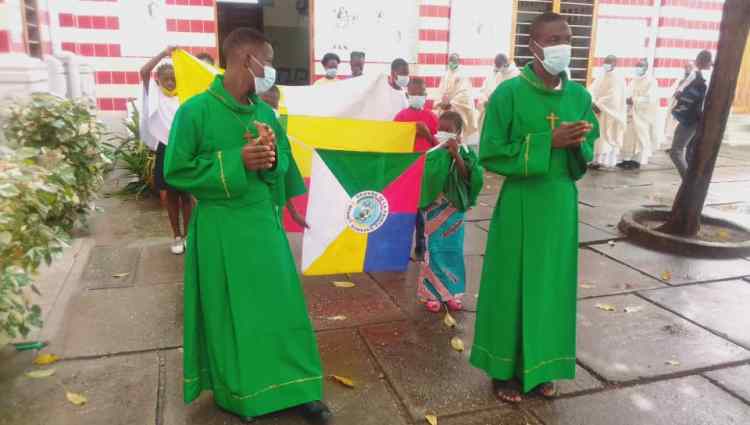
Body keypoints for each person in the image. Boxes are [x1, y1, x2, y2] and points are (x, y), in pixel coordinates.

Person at [164, 28, 330, 424]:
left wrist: (271, 160)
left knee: (282, 307)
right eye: (267, 61)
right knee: (231, 312)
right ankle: (241, 391)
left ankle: (300, 386)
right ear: (246, 60)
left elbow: (282, 163)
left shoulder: (265, 114)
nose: (271, 69)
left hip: (262, 224)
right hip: (219, 227)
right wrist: (237, 160)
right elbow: (177, 170)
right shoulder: (195, 112)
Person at [470, 12, 598, 403]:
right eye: (553, 39)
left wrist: (577, 144)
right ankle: (504, 370)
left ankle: (542, 367)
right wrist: (547, 141)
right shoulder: (508, 94)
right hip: (521, 202)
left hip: (560, 203)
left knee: (550, 287)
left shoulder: (579, 97)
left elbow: (586, 154)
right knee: (511, 285)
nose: (563, 46)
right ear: (534, 46)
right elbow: (491, 151)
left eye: (567, 38)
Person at [418, 111, 483, 313]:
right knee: (434, 249)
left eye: (448, 130)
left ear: (458, 132)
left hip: (454, 210)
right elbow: (425, 179)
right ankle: (431, 293)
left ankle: (453, 293)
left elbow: (470, 177)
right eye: (440, 129)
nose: (443, 133)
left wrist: (456, 155)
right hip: (434, 209)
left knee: (453, 249)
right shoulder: (433, 153)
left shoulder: (466, 153)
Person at [139, 46, 193, 255]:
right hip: (165, 148)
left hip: (185, 148)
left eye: (174, 78)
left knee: (186, 194)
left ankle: (188, 235)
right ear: (158, 80)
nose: (170, 82)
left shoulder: (185, 95)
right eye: (166, 79)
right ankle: (176, 236)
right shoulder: (155, 95)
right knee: (170, 194)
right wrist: (163, 54)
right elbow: (144, 71)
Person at [394, 77, 439, 261]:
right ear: (408, 95)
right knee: (405, 210)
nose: (418, 97)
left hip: (426, 170)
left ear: (426, 95)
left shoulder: (432, 117)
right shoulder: (400, 117)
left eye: (421, 93)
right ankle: (400, 247)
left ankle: (421, 244)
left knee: (422, 211)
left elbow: (439, 146)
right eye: (414, 94)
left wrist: (427, 134)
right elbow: (394, 145)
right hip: (406, 171)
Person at [260, 85, 309, 229]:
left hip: (275, 207)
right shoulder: (248, 133)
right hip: (255, 207)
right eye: (265, 105)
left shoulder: (280, 137)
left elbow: (284, 177)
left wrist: (294, 213)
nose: (270, 111)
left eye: (273, 106)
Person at [670, 50, 712, 179]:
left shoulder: (697, 74)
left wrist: (680, 96)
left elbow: (678, 92)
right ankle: (691, 181)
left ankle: (688, 182)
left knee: (676, 151)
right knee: (690, 152)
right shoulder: (713, 76)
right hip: (700, 118)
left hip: (690, 118)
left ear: (699, 61)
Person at [589, 55, 626, 169]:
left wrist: (598, 104)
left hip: (609, 113)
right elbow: (592, 89)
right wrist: (592, 101)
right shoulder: (601, 76)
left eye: (609, 62)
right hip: (598, 110)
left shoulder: (618, 78)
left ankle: (606, 161)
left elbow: (614, 97)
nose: (606, 64)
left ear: (615, 63)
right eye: (605, 62)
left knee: (606, 136)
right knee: (597, 136)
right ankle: (595, 160)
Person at [619, 58, 658, 169]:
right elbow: (628, 93)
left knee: (640, 138)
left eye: (640, 66)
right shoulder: (634, 80)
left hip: (642, 115)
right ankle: (626, 159)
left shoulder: (651, 81)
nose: (638, 68)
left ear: (646, 67)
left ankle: (636, 161)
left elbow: (650, 98)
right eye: (637, 65)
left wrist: (634, 100)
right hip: (631, 112)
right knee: (628, 136)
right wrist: (627, 100)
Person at [434, 53, 478, 137]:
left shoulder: (463, 75)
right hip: (445, 109)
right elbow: (440, 90)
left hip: (457, 108)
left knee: (456, 134)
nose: (451, 62)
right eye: (450, 60)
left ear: (458, 61)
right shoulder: (445, 74)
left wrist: (451, 103)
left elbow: (464, 94)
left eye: (453, 60)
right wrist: (440, 102)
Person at [478, 54, 520, 130]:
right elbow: (490, 88)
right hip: (494, 110)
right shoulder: (498, 73)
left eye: (499, 67)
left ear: (505, 65)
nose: (497, 70)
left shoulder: (516, 75)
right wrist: (486, 100)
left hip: (508, 112)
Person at [664, 62, 695, 146]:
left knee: (679, 124)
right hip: (676, 102)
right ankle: (669, 141)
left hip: (685, 105)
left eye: (690, 67)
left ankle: (676, 143)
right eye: (686, 67)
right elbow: (674, 91)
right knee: (671, 122)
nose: (687, 69)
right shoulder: (680, 79)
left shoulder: (694, 80)